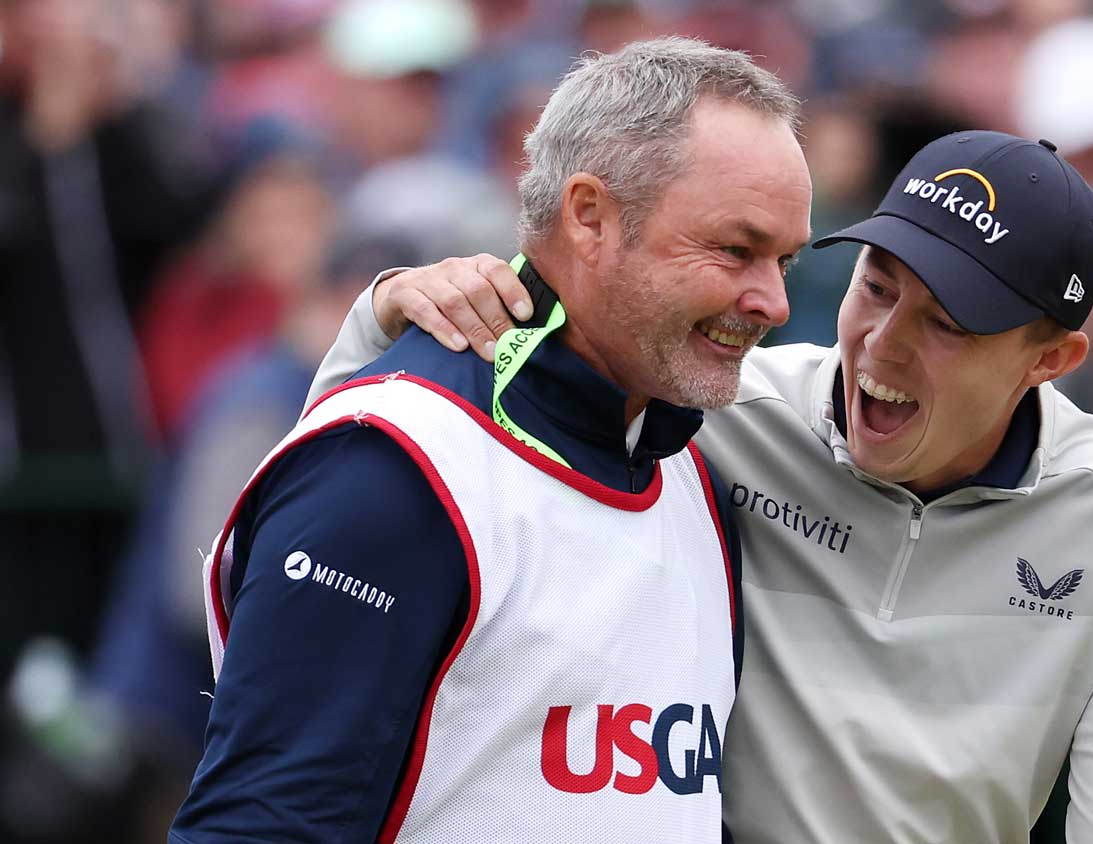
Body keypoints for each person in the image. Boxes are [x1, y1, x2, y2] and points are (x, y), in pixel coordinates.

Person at [316, 130, 1093, 842]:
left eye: (946, 324)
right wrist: (383, 315)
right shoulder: (720, 413)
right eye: (877, 287)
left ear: (1050, 360)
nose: (884, 343)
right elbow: (353, 479)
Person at [169, 38, 810, 844]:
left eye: (785, 260)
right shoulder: (395, 465)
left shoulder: (693, 473)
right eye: (736, 249)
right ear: (589, 216)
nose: (775, 302)